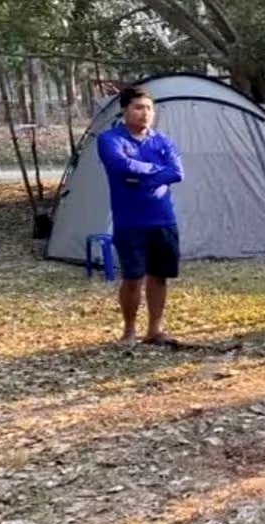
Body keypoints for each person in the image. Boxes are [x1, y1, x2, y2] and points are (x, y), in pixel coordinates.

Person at [96, 85, 184, 348]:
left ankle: (155, 330)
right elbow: (120, 165)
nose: (144, 113)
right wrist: (157, 170)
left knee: (159, 276)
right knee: (132, 278)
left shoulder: (163, 141)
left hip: (163, 219)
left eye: (148, 108)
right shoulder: (111, 139)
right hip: (130, 221)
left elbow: (177, 172)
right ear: (125, 110)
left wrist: (141, 177)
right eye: (138, 107)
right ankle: (129, 331)